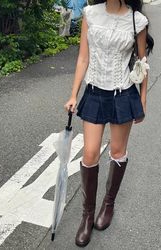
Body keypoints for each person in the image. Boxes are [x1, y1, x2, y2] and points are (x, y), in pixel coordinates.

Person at [64, 0, 154, 247]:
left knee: (117, 151)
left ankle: (108, 204)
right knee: (90, 153)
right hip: (94, 92)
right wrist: (74, 94)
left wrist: (143, 99)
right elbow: (83, 57)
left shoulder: (137, 20)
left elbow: (142, 62)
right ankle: (87, 215)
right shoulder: (90, 13)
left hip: (123, 93)